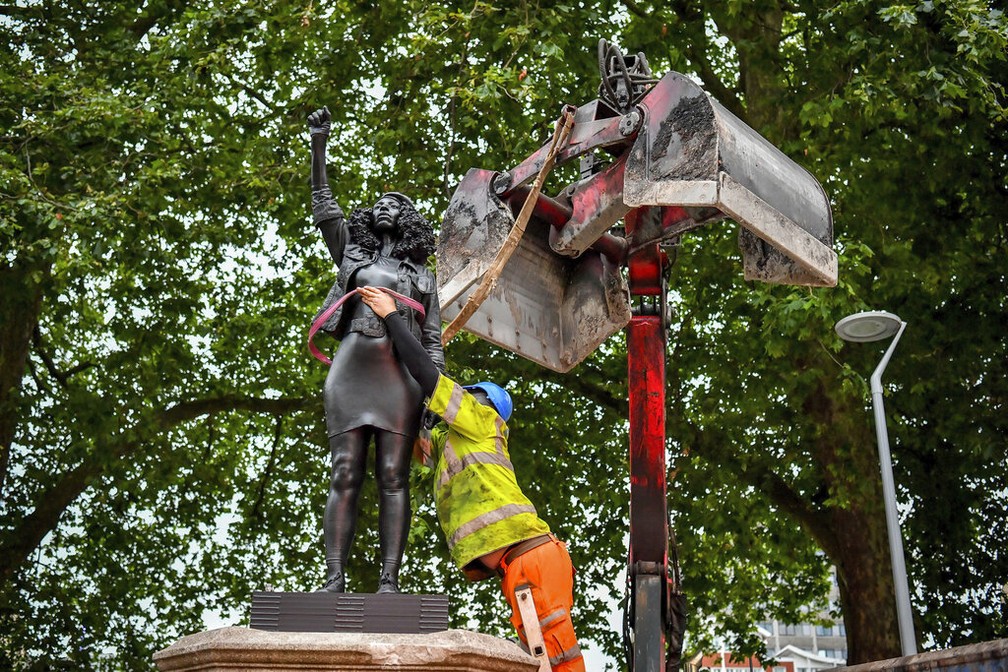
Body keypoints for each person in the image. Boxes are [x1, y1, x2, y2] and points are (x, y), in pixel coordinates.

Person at [358, 285, 585, 672]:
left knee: (556, 657)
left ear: (482, 401)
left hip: (532, 559)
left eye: (465, 394)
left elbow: (427, 376)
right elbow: (412, 437)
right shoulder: (452, 442)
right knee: (543, 659)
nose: (455, 398)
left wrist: (391, 316)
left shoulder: (483, 421)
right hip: (520, 565)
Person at [307, 107, 444, 594]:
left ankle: (389, 581)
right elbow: (324, 206)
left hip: (399, 380)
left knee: (392, 476)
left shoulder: (425, 277)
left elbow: (432, 341)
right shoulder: (351, 252)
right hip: (351, 369)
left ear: (409, 222)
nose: (385, 207)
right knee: (344, 471)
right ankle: (333, 579)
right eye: (380, 203)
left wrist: (435, 399)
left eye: (396, 205)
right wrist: (319, 143)